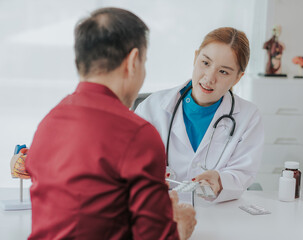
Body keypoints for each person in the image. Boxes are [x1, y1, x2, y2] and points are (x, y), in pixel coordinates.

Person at [24, 8, 196, 240]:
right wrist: (179, 227)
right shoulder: (138, 134)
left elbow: (84, 212)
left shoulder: (48, 123)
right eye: (144, 61)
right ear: (133, 61)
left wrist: (157, 212)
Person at [135, 27, 264, 203]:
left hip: (217, 214)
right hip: (161, 209)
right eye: (205, 63)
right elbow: (131, 165)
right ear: (196, 57)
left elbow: (243, 173)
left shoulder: (249, 117)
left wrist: (220, 181)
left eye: (223, 71)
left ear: (237, 78)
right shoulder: (152, 108)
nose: (210, 78)